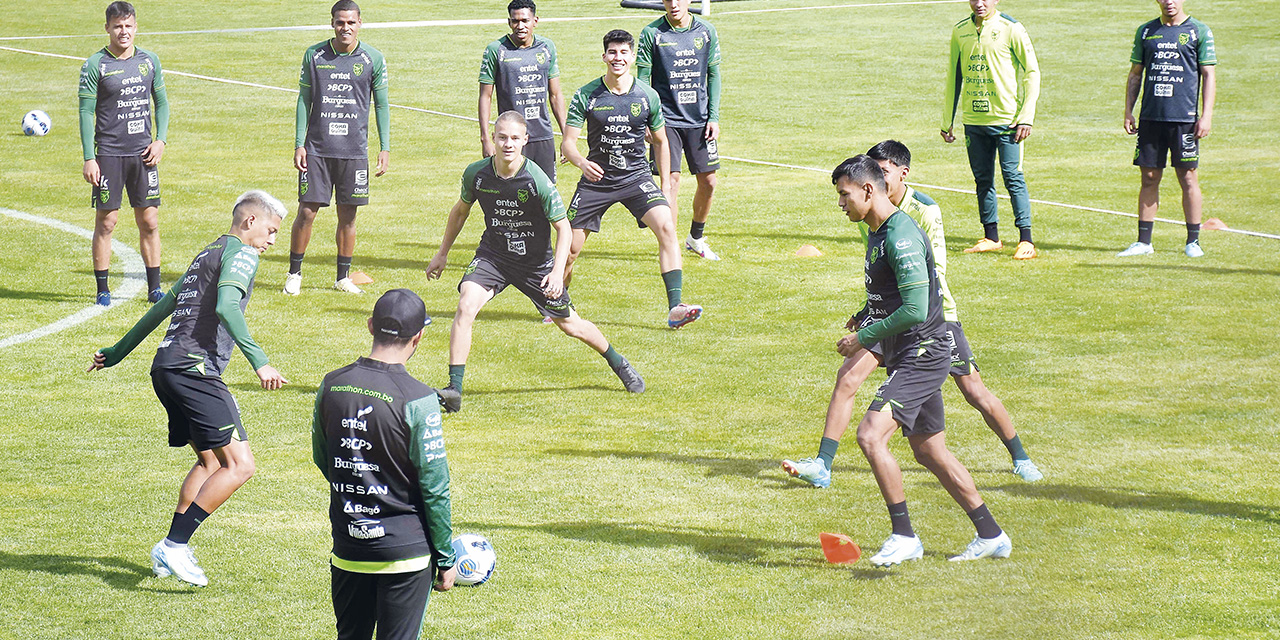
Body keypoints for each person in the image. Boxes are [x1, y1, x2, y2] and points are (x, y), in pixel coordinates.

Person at [783, 141, 1042, 488]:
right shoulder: (868, 211)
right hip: (892, 313)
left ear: (901, 174)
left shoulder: (923, 211)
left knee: (973, 392)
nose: (877, 179)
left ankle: (1020, 456)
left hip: (932, 316)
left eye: (884, 171)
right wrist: (867, 310)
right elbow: (883, 270)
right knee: (848, 377)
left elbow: (928, 276)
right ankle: (823, 466)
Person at [88, 190, 290, 586]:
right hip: (195, 371)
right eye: (270, 230)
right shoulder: (243, 254)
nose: (271, 240)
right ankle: (175, 545)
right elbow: (227, 308)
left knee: (211, 462)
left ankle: (170, 551)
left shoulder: (207, 253)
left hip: (166, 367)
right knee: (241, 465)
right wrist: (260, 361)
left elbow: (162, 308)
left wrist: (116, 351)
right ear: (250, 221)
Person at [828, 155, 1012, 566]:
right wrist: (865, 315)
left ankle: (904, 536)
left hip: (924, 354)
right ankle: (991, 534)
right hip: (907, 354)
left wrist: (862, 337)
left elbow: (913, 309)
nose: (840, 203)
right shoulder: (877, 230)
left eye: (844, 194)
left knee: (871, 435)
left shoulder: (901, 237)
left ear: (868, 191)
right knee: (930, 451)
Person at [427, 112, 645, 408]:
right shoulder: (477, 174)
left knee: (572, 326)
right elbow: (460, 211)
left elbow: (563, 228)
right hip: (494, 256)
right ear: (493, 137)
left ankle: (619, 363)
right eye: (502, 137)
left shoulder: (536, 179)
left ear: (525, 141)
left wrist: (557, 273)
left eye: (515, 138)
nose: (507, 144)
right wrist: (442, 253)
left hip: (535, 265)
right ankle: (454, 391)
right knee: (466, 305)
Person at [312, 288, 457, 640]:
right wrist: (446, 556)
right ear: (419, 337)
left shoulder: (332, 384)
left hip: (349, 547)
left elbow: (324, 457)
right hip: (405, 554)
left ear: (370, 325)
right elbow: (434, 486)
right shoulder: (420, 399)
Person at [561, 29, 704, 329]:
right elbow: (568, 144)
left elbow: (662, 141)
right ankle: (558, 303)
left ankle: (676, 306)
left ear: (631, 57)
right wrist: (581, 163)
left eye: (624, 52)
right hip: (596, 179)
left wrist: (665, 183)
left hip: (635, 177)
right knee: (570, 250)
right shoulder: (586, 94)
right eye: (612, 52)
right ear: (604, 57)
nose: (618, 58)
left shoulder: (647, 96)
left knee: (666, 226)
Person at [285, 0, 390, 295]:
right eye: (340, 22)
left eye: (351, 22)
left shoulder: (373, 59)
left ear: (360, 23)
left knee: (349, 215)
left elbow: (381, 105)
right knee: (307, 212)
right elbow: (304, 100)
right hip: (317, 149)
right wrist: (299, 144)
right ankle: (295, 273)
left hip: (354, 151)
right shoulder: (315, 55)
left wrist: (385, 147)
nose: (346, 28)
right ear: (332, 23)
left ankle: (342, 277)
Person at [78, 1, 169, 306]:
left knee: (150, 220)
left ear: (136, 27)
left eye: (128, 25)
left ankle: (154, 288)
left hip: (143, 154)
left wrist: (161, 141)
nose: (123, 31)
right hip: (109, 156)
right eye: (117, 26)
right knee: (107, 221)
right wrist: (89, 157)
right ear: (107, 28)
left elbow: (162, 104)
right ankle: (103, 289)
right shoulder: (95, 65)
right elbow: (86, 111)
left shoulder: (150, 61)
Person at [942, 0, 1041, 260]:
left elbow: (1032, 72)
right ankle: (991, 237)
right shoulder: (960, 30)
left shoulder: (1012, 28)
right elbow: (955, 75)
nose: (979, 3)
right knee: (982, 180)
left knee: (1013, 177)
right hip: (974, 122)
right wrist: (947, 120)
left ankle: (1026, 240)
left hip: (1008, 122)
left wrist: (1026, 117)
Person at [1120, 0, 1216, 258]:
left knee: (1188, 178)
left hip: (1184, 119)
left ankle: (1193, 242)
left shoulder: (1199, 31)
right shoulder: (1146, 31)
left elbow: (1208, 75)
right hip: (1151, 117)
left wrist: (1205, 116)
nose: (1169, 2)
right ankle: (1144, 242)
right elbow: (1135, 74)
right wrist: (1129, 110)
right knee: (1149, 178)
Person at [637, 0, 724, 260]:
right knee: (670, 182)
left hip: (699, 120)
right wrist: (645, 119)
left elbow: (713, 74)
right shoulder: (652, 33)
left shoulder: (706, 31)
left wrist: (714, 117)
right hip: (666, 121)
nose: (673, 4)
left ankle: (695, 238)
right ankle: (670, 245)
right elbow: (643, 79)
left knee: (708, 181)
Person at [478, 0, 567, 183]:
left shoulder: (546, 47)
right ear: (509, 22)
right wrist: (486, 138)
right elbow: (485, 96)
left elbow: (556, 95)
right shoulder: (496, 50)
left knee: (546, 192)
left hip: (542, 134)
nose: (520, 26)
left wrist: (567, 137)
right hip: (511, 138)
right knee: (511, 191)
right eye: (515, 21)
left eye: (525, 21)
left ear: (535, 21)